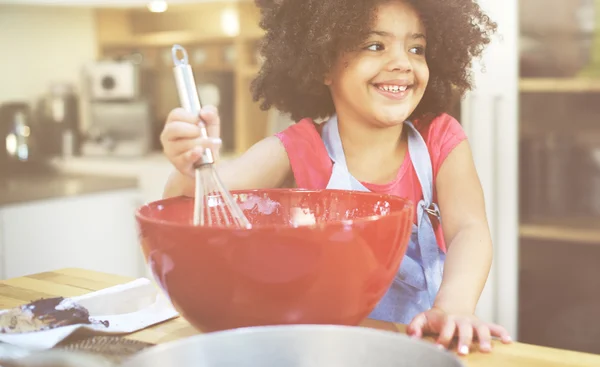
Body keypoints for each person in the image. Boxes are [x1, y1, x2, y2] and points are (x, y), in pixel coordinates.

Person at [160, 0, 513, 355]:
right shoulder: (298, 148)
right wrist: (192, 162)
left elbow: (469, 229)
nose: (402, 63)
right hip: (332, 350)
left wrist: (453, 307)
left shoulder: (440, 139)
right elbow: (201, 195)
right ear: (324, 62)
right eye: (376, 45)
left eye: (416, 48)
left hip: (424, 346)